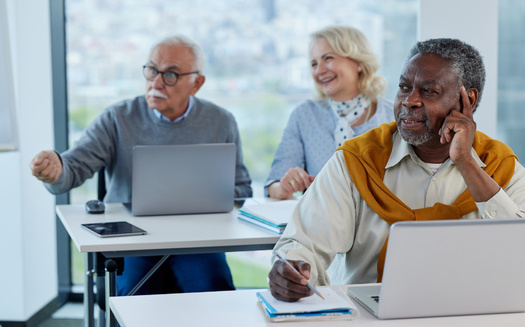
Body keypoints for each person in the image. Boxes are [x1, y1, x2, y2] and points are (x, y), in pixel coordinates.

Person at [268, 38, 525, 302]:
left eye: (429, 91)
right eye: (404, 87)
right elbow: (304, 244)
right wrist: (291, 269)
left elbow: (520, 249)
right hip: (366, 317)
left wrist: (466, 162)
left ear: (467, 100)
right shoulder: (356, 160)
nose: (409, 101)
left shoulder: (499, 165)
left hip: (472, 310)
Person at [30, 34, 252, 295]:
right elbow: (73, 167)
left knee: (215, 291)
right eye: (151, 70)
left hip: (197, 242)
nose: (157, 82)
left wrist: (217, 199)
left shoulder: (221, 121)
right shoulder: (117, 117)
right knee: (134, 296)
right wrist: (56, 169)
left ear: (197, 83)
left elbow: (242, 190)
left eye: (170, 74)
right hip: (133, 240)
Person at [265, 25, 394, 199]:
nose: (319, 70)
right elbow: (273, 184)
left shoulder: (393, 116)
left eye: (328, 58)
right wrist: (284, 187)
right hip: (321, 222)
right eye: (314, 64)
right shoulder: (304, 115)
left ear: (358, 63)